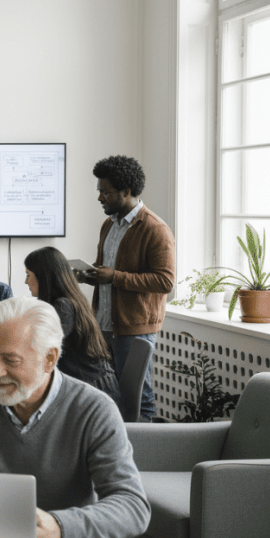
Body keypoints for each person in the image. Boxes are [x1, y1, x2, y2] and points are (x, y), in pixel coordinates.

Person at [0, 297, 150, 538]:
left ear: (49, 359)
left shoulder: (94, 409)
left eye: (11, 360)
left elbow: (132, 506)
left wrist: (58, 526)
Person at [78, 155, 174, 421]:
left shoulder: (155, 229)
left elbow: (165, 281)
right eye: (99, 192)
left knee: (138, 398)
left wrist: (115, 277)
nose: (100, 198)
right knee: (109, 395)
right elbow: (107, 270)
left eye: (105, 192)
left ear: (126, 191)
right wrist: (90, 275)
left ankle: (146, 457)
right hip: (104, 325)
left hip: (134, 329)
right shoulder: (109, 225)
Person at [24, 247, 120, 406]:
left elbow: (41, 349)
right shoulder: (67, 301)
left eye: (28, 275)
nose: (26, 281)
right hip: (85, 385)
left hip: (95, 392)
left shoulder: (63, 307)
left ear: (44, 277)